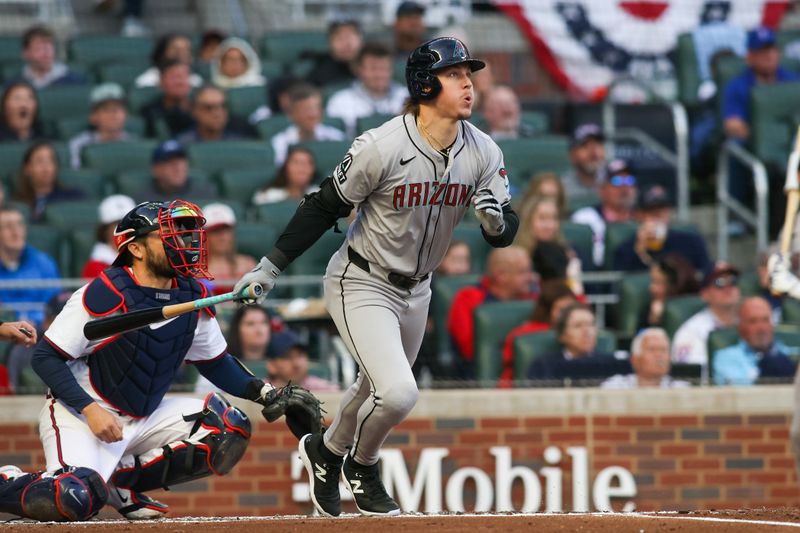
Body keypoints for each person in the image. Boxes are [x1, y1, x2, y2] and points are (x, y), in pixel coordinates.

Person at [233, 37, 518, 517]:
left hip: (419, 288)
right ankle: (362, 466)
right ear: (425, 84)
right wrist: (270, 267)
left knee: (372, 390)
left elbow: (505, 230)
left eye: (470, 74)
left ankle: (325, 451)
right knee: (399, 392)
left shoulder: (484, 150)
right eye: (455, 75)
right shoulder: (382, 146)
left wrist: (496, 224)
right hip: (361, 279)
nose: (469, 83)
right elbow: (323, 206)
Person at [0, 200, 294, 522]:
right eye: (169, 234)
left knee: (227, 426)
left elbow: (215, 362)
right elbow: (45, 357)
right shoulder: (104, 292)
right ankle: (8, 483)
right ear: (137, 249)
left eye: (184, 233)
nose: (183, 241)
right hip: (82, 413)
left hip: (143, 415)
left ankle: (117, 483)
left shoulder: (190, 294)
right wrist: (90, 409)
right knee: (73, 498)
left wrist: (266, 392)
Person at [447, 246, 534, 379]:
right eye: (522, 272)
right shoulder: (467, 299)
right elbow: (470, 350)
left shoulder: (532, 299)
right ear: (501, 275)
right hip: (474, 380)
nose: (530, 277)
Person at [613, 184, 712, 274]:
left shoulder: (691, 241)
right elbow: (623, 285)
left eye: (662, 210)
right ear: (639, 215)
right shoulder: (627, 248)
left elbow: (706, 275)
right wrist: (640, 251)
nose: (658, 216)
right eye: (651, 211)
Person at [723, 26, 799, 142]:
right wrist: (763, 135)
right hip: (755, 146)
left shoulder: (793, 80)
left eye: (772, 50)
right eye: (762, 51)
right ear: (750, 57)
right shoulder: (737, 86)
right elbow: (732, 124)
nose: (769, 56)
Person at [528, 303, 631, 384]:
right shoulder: (544, 365)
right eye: (578, 326)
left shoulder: (612, 363)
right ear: (562, 335)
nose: (587, 332)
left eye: (591, 325)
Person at [500, 280, 577, 387]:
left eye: (572, 309)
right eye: (562, 310)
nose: (568, 315)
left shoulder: (582, 334)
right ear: (547, 310)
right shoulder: (524, 335)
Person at [672, 262, 742, 379]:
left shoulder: (752, 322)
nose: (728, 288)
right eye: (719, 283)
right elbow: (691, 379)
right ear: (704, 294)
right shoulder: (691, 332)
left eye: (732, 281)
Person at [325, 42, 409, 137]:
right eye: (373, 69)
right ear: (359, 69)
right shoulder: (340, 101)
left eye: (384, 69)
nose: (379, 75)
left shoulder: (407, 97)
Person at [713, 296, 796, 385]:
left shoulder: (793, 355)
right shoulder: (727, 358)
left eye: (765, 320)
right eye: (753, 321)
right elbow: (739, 394)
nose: (761, 328)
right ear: (741, 327)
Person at [571, 159, 637, 268]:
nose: (624, 187)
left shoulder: (643, 219)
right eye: (617, 181)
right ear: (601, 189)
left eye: (629, 180)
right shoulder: (584, 218)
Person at [0, 205, 60, 325]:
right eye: (8, 226)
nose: (15, 232)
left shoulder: (44, 262)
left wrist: (36, 321)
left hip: (41, 331)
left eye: (19, 225)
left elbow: (54, 303)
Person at [194, 304, 272, 395]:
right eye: (250, 324)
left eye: (264, 322)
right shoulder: (217, 366)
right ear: (237, 329)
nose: (259, 330)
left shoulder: (284, 364)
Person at [515, 196, 583, 293]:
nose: (549, 225)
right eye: (542, 218)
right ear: (529, 221)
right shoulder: (515, 256)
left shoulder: (568, 253)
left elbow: (577, 292)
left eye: (554, 218)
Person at [271, 83, 346, 166]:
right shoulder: (280, 143)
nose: (313, 115)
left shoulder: (336, 138)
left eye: (316, 108)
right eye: (306, 109)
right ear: (292, 114)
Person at [7, 291, 65, 392]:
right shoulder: (26, 343)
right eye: (60, 319)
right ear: (46, 321)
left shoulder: (85, 348)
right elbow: (13, 388)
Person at [13, 142, 86, 222]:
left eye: (50, 161)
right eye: (39, 161)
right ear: (27, 168)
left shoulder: (74, 197)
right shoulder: (18, 203)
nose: (46, 168)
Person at [69, 83, 135, 169]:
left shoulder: (134, 144)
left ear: (126, 114)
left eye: (118, 109)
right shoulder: (79, 146)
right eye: (106, 110)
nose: (114, 114)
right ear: (93, 117)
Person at [602, 328, 690, 389]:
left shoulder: (681, 390)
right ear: (634, 360)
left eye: (663, 350)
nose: (659, 355)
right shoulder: (616, 387)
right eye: (652, 349)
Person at [132, 140, 216, 203]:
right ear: (156, 170)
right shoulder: (143, 201)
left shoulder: (204, 195)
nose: (178, 168)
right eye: (171, 163)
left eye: (181, 162)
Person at [202, 202, 256, 294]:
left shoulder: (248, 265)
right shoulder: (195, 270)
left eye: (226, 231)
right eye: (215, 232)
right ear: (203, 236)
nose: (222, 237)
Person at [176, 85, 255, 145]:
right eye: (208, 108)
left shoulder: (240, 144)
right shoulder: (182, 146)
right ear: (194, 111)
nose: (217, 113)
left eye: (223, 106)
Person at [81, 194, 137, 278]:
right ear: (105, 230)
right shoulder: (94, 266)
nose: (125, 228)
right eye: (118, 224)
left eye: (129, 223)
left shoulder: (144, 258)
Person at [641, 253, 701, 329]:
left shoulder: (697, 312)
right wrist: (653, 323)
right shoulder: (648, 309)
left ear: (674, 286)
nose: (651, 288)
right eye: (652, 281)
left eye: (658, 283)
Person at [18, 25, 85, 89]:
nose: (46, 54)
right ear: (26, 53)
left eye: (49, 48)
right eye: (39, 49)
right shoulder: (16, 84)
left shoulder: (74, 81)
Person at [141, 59, 195, 138]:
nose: (180, 82)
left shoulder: (200, 109)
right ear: (161, 81)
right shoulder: (149, 111)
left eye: (184, 77)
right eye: (174, 77)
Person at [252, 145, 319, 205]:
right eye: (296, 162)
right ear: (285, 167)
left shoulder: (320, 195)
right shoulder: (267, 197)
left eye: (307, 163)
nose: (302, 168)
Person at [306, 20, 362, 88]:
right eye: (340, 38)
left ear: (360, 40)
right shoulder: (319, 71)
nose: (347, 43)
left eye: (350, 37)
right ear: (330, 43)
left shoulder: (372, 68)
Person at [561, 123, 606, 208]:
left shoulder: (614, 182)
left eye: (598, 145)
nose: (594, 153)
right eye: (585, 146)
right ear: (572, 155)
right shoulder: (562, 189)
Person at [135, 33, 203, 88]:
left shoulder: (196, 81)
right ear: (162, 53)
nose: (181, 54)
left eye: (186, 50)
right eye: (176, 50)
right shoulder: (148, 80)